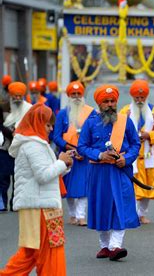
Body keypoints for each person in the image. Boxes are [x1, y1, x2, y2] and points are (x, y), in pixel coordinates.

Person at [0, 103, 73, 276]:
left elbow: (46, 173)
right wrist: (61, 162)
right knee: (42, 250)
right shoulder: (33, 145)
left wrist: (64, 164)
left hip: (41, 204)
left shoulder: (35, 142)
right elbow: (43, 175)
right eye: (47, 124)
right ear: (37, 122)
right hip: (39, 206)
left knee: (34, 251)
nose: (50, 128)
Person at [77, 84, 141, 261]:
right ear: (99, 104)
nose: (110, 104)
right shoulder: (90, 123)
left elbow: (136, 144)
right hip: (99, 173)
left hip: (120, 171)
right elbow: (82, 147)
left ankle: (115, 246)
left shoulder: (125, 121)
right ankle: (104, 246)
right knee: (101, 207)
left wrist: (126, 159)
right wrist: (99, 155)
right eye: (106, 101)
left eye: (113, 101)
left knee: (120, 207)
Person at [119, 80, 154, 224]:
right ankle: (131, 213)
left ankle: (142, 214)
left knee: (147, 185)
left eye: (142, 98)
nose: (140, 101)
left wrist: (150, 135)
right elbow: (118, 132)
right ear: (132, 97)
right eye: (137, 98)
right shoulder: (125, 111)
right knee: (131, 186)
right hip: (131, 155)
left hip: (149, 155)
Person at [53, 81, 95, 226]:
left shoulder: (91, 113)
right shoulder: (62, 114)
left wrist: (85, 150)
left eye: (79, 94)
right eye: (73, 94)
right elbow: (56, 136)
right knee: (69, 187)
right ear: (69, 96)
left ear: (82, 95)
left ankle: (81, 216)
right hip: (67, 156)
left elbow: (95, 134)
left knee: (83, 187)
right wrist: (69, 147)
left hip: (84, 156)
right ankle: (72, 214)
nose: (76, 97)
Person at [0, 82, 32, 211]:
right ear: (10, 95)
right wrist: (11, 133)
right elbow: (0, 125)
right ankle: (2, 204)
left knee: (19, 178)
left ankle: (16, 203)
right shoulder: (3, 107)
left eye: (20, 96)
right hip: (5, 147)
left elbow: (31, 125)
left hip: (21, 147)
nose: (18, 99)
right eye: (15, 96)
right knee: (3, 177)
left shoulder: (29, 108)